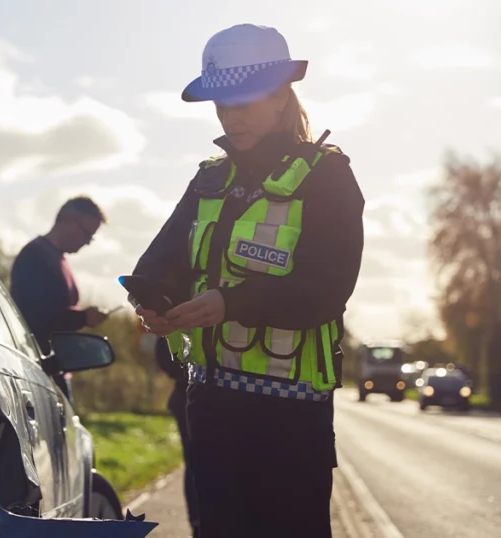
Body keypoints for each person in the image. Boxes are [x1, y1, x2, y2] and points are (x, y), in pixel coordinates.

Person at [131, 24, 364, 537]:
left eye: (243, 101)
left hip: (293, 419)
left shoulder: (328, 176)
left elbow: (327, 288)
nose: (229, 117)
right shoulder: (209, 178)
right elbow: (158, 265)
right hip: (212, 409)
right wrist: (157, 302)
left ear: (281, 95)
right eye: (220, 104)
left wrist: (229, 303)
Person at [10, 197, 110, 395]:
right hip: (38, 373)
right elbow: (34, 316)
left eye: (90, 238)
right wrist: (84, 317)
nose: (87, 242)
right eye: (86, 234)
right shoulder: (34, 256)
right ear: (67, 219)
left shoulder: (58, 259)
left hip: (56, 372)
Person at [154, 337, 200, 536]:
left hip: (190, 394)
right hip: (189, 395)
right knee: (197, 462)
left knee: (196, 462)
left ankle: (199, 524)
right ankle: (199, 524)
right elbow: (163, 345)